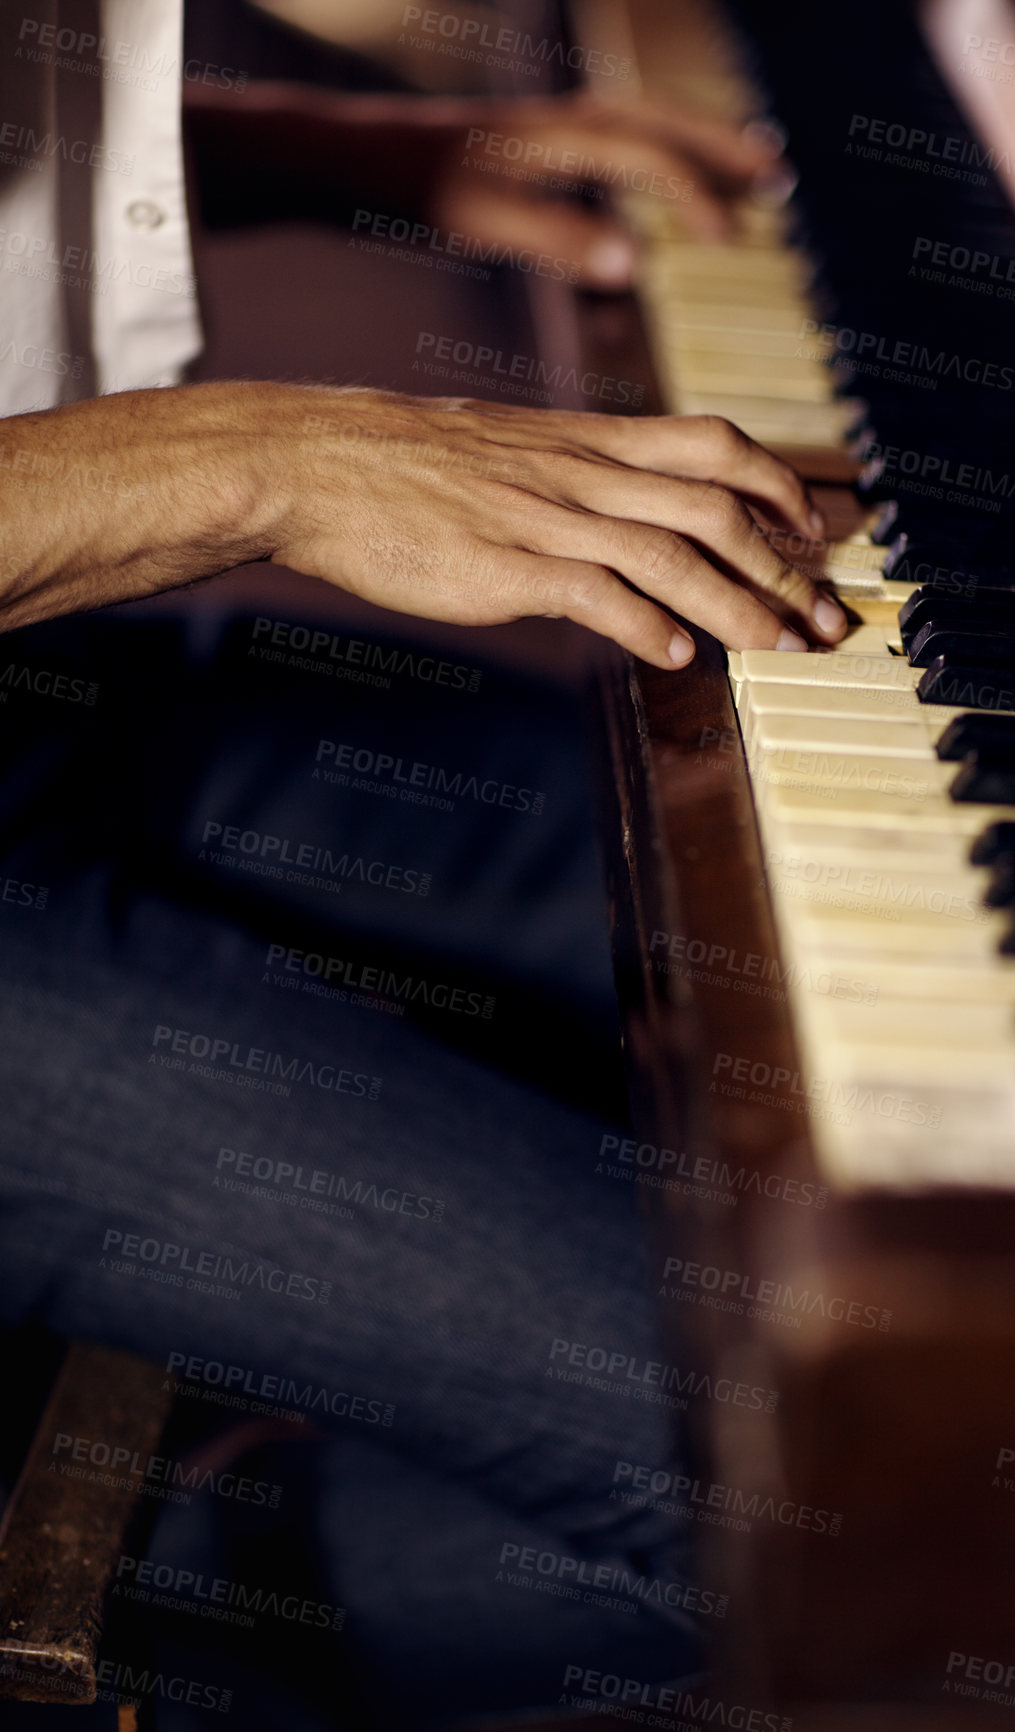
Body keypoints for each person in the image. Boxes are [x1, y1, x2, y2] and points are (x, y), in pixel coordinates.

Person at [0, 5, 843, 1724]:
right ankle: (185, 1613)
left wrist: (339, 152)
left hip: (52, 687)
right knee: (835, 1495)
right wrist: (250, 462)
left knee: (859, 983)